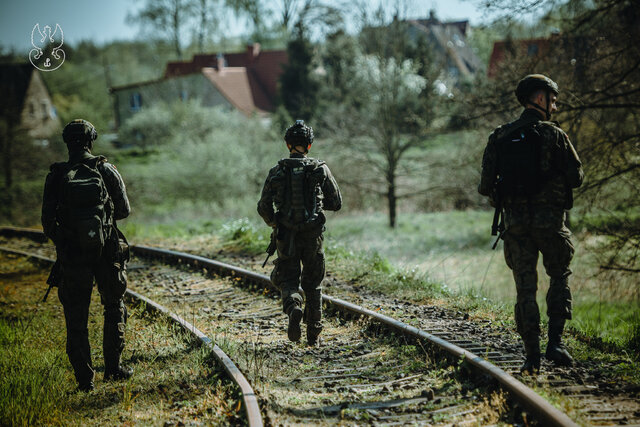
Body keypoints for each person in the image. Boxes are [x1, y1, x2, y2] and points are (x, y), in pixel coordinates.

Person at [478, 75, 584, 374]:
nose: (555, 104)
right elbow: (577, 177)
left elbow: (485, 186)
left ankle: (531, 356)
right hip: (551, 224)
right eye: (552, 99)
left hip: (516, 226)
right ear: (539, 99)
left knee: (525, 288)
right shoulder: (555, 135)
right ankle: (556, 344)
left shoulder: (499, 137)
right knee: (559, 275)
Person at [41, 119, 132, 391]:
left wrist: (68, 241)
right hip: (107, 251)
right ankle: (113, 369)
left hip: (72, 255)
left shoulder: (57, 175)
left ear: (66, 142)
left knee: (75, 315)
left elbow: (47, 223)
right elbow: (124, 210)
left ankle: (85, 381)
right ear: (91, 139)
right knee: (113, 306)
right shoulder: (105, 169)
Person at [257, 120, 342, 346]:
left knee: (288, 279)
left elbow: (263, 207)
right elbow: (336, 203)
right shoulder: (320, 169)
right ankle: (314, 333)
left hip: (286, 236)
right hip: (313, 236)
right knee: (313, 283)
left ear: (288, 145)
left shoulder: (277, 171)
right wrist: (316, 206)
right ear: (309, 146)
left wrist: (276, 224)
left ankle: (294, 306)